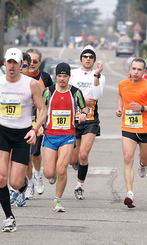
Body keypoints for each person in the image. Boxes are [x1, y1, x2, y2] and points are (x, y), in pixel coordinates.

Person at [0, 48, 47, 232]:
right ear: (5, 63)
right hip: (2, 133)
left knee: (15, 183)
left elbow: (42, 110)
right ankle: (9, 217)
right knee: (0, 176)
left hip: (23, 134)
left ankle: (23, 183)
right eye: (9, 62)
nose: (12, 66)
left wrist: (35, 129)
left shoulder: (31, 84)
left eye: (16, 63)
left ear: (21, 64)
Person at [116, 57, 147, 208]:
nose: (135, 72)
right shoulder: (122, 84)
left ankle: (143, 164)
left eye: (139, 70)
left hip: (146, 129)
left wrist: (142, 108)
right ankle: (130, 193)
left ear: (144, 71)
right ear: (130, 69)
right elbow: (120, 95)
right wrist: (120, 108)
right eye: (133, 69)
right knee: (128, 158)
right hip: (128, 127)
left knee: (145, 159)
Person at [41, 62, 87, 212]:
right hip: (50, 135)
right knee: (49, 173)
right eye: (59, 76)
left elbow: (84, 107)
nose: (62, 79)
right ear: (56, 76)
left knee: (62, 170)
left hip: (68, 135)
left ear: (69, 77)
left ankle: (57, 200)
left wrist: (83, 114)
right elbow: (41, 110)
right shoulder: (48, 92)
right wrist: (38, 126)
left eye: (65, 76)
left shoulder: (76, 92)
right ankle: (51, 173)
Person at [68, 45, 105, 200]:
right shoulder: (73, 74)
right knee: (72, 159)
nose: (88, 59)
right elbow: (66, 92)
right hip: (74, 118)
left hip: (90, 119)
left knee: (84, 154)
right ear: (81, 59)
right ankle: (78, 165)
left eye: (91, 57)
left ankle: (79, 186)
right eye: (85, 56)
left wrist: (96, 75)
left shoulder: (99, 76)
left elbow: (97, 95)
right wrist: (81, 100)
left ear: (94, 60)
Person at [26, 48, 53, 194]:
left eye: (34, 61)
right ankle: (30, 184)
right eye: (28, 61)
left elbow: (48, 101)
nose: (31, 64)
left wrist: (42, 123)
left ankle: (37, 175)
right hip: (22, 119)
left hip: (39, 119)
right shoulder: (20, 77)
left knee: (35, 152)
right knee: (26, 156)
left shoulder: (46, 77)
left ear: (39, 63)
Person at [9, 52, 33, 206]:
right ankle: (14, 189)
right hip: (10, 126)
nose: (21, 68)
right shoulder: (8, 82)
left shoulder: (33, 83)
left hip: (28, 127)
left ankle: (24, 188)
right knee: (11, 159)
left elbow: (42, 106)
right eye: (20, 65)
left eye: (24, 66)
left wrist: (37, 126)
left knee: (26, 161)